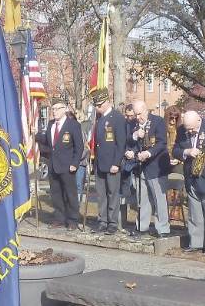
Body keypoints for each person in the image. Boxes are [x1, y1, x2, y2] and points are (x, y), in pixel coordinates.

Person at [173, 111, 205, 256]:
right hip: (191, 177)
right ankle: (195, 243)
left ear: (199, 120)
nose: (189, 131)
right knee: (194, 214)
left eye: (192, 129)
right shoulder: (182, 131)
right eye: (187, 129)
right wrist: (187, 151)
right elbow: (175, 150)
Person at [125, 100, 171, 238]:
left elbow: (162, 143)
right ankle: (141, 226)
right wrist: (131, 148)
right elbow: (128, 142)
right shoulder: (132, 124)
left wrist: (148, 153)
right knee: (142, 199)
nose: (137, 117)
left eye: (139, 114)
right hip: (139, 167)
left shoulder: (157, 121)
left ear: (146, 110)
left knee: (159, 199)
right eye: (135, 114)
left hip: (156, 166)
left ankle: (163, 228)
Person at [36, 101, 84, 230]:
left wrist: (75, 163)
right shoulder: (51, 124)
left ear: (64, 109)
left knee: (70, 194)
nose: (54, 111)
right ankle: (59, 218)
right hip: (53, 165)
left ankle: (73, 220)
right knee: (56, 193)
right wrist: (36, 135)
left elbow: (79, 147)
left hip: (68, 166)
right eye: (53, 109)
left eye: (57, 109)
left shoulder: (73, 125)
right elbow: (48, 141)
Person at [90, 88, 127, 235]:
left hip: (112, 163)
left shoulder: (117, 118)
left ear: (106, 102)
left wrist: (116, 163)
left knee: (112, 194)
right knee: (101, 194)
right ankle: (102, 220)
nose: (97, 108)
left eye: (99, 105)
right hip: (100, 163)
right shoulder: (100, 120)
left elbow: (120, 143)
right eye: (96, 105)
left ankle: (112, 222)